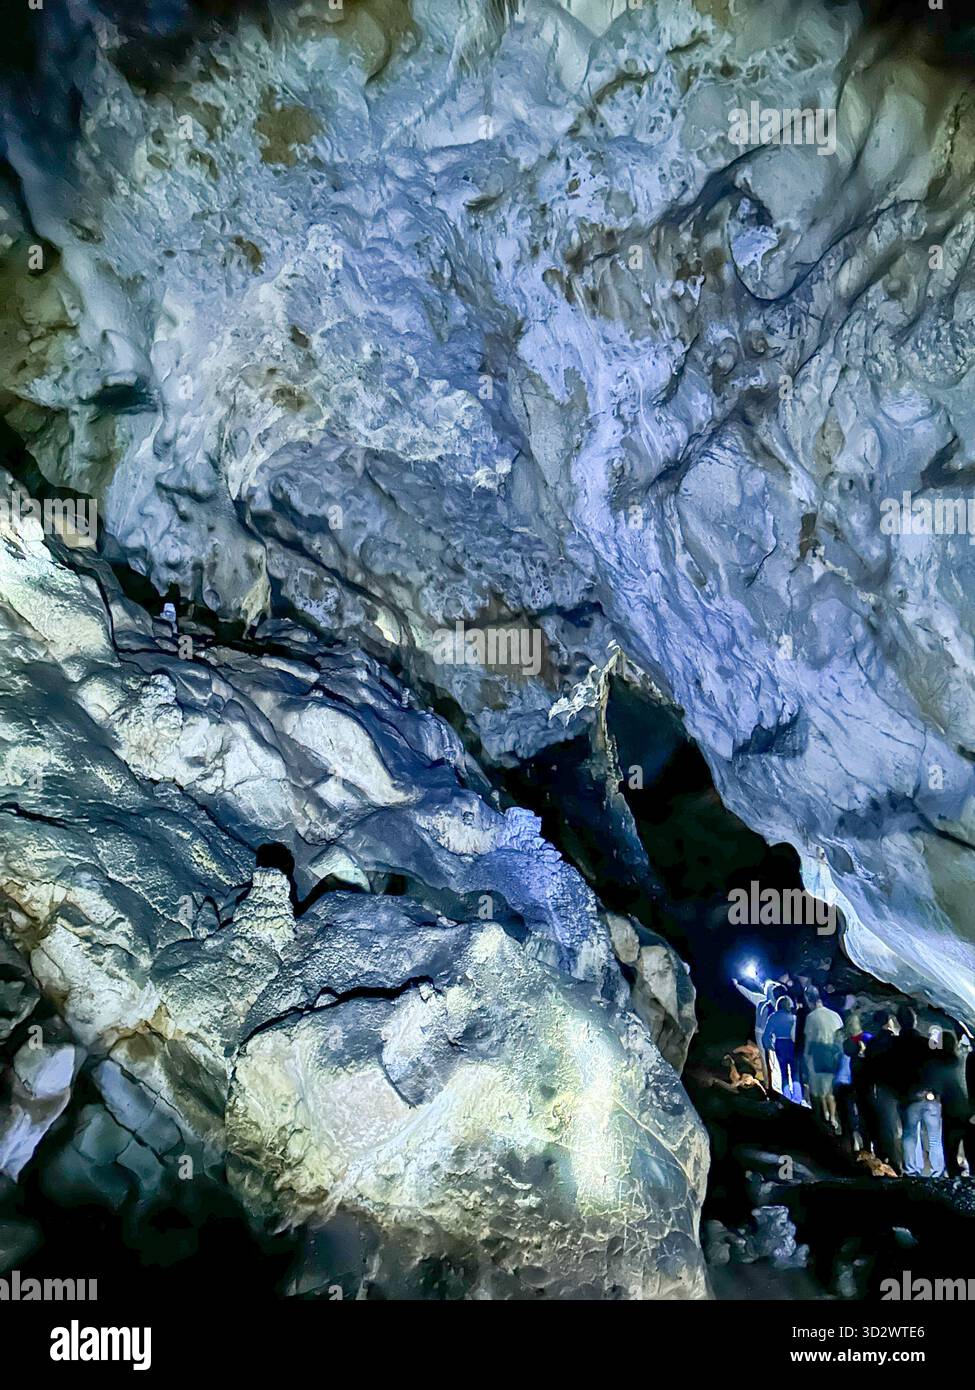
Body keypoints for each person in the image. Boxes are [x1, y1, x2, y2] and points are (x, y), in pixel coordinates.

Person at [893, 1004, 944, 1177]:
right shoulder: (924, 1043)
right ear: (914, 1021)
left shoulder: (895, 1046)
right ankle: (938, 1172)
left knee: (909, 1135)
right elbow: (937, 1061)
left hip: (908, 1097)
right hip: (929, 1096)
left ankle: (911, 1170)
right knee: (935, 1137)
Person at [924, 1031, 970, 1178]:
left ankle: (953, 1174)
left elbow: (934, 1088)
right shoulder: (962, 1060)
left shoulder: (937, 1066)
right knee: (970, 1146)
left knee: (950, 1147)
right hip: (968, 1109)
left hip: (950, 1110)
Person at [803, 986, 844, 1129]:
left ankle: (826, 1115)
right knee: (830, 1089)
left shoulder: (811, 1017)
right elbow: (841, 1037)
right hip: (834, 1055)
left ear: (809, 1000)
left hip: (818, 1056)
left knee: (821, 1089)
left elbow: (809, 1039)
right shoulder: (835, 1015)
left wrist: (806, 1057)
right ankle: (833, 1117)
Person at [762, 996, 798, 1099]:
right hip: (792, 1045)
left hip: (780, 1045)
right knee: (795, 1072)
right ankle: (798, 1096)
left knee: (783, 1072)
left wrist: (770, 1046)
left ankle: (786, 1096)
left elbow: (766, 1036)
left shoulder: (773, 1017)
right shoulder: (793, 1017)